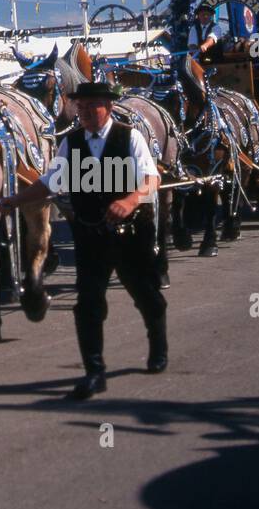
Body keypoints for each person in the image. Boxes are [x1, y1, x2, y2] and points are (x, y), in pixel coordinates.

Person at [9, 80, 164, 401]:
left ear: (108, 108)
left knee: (145, 294)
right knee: (88, 304)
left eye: (93, 106)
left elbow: (152, 179)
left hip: (131, 234)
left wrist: (131, 201)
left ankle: (157, 342)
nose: (86, 113)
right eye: (81, 107)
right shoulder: (72, 143)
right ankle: (94, 372)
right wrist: (12, 201)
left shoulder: (129, 137)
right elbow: (50, 182)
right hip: (90, 236)